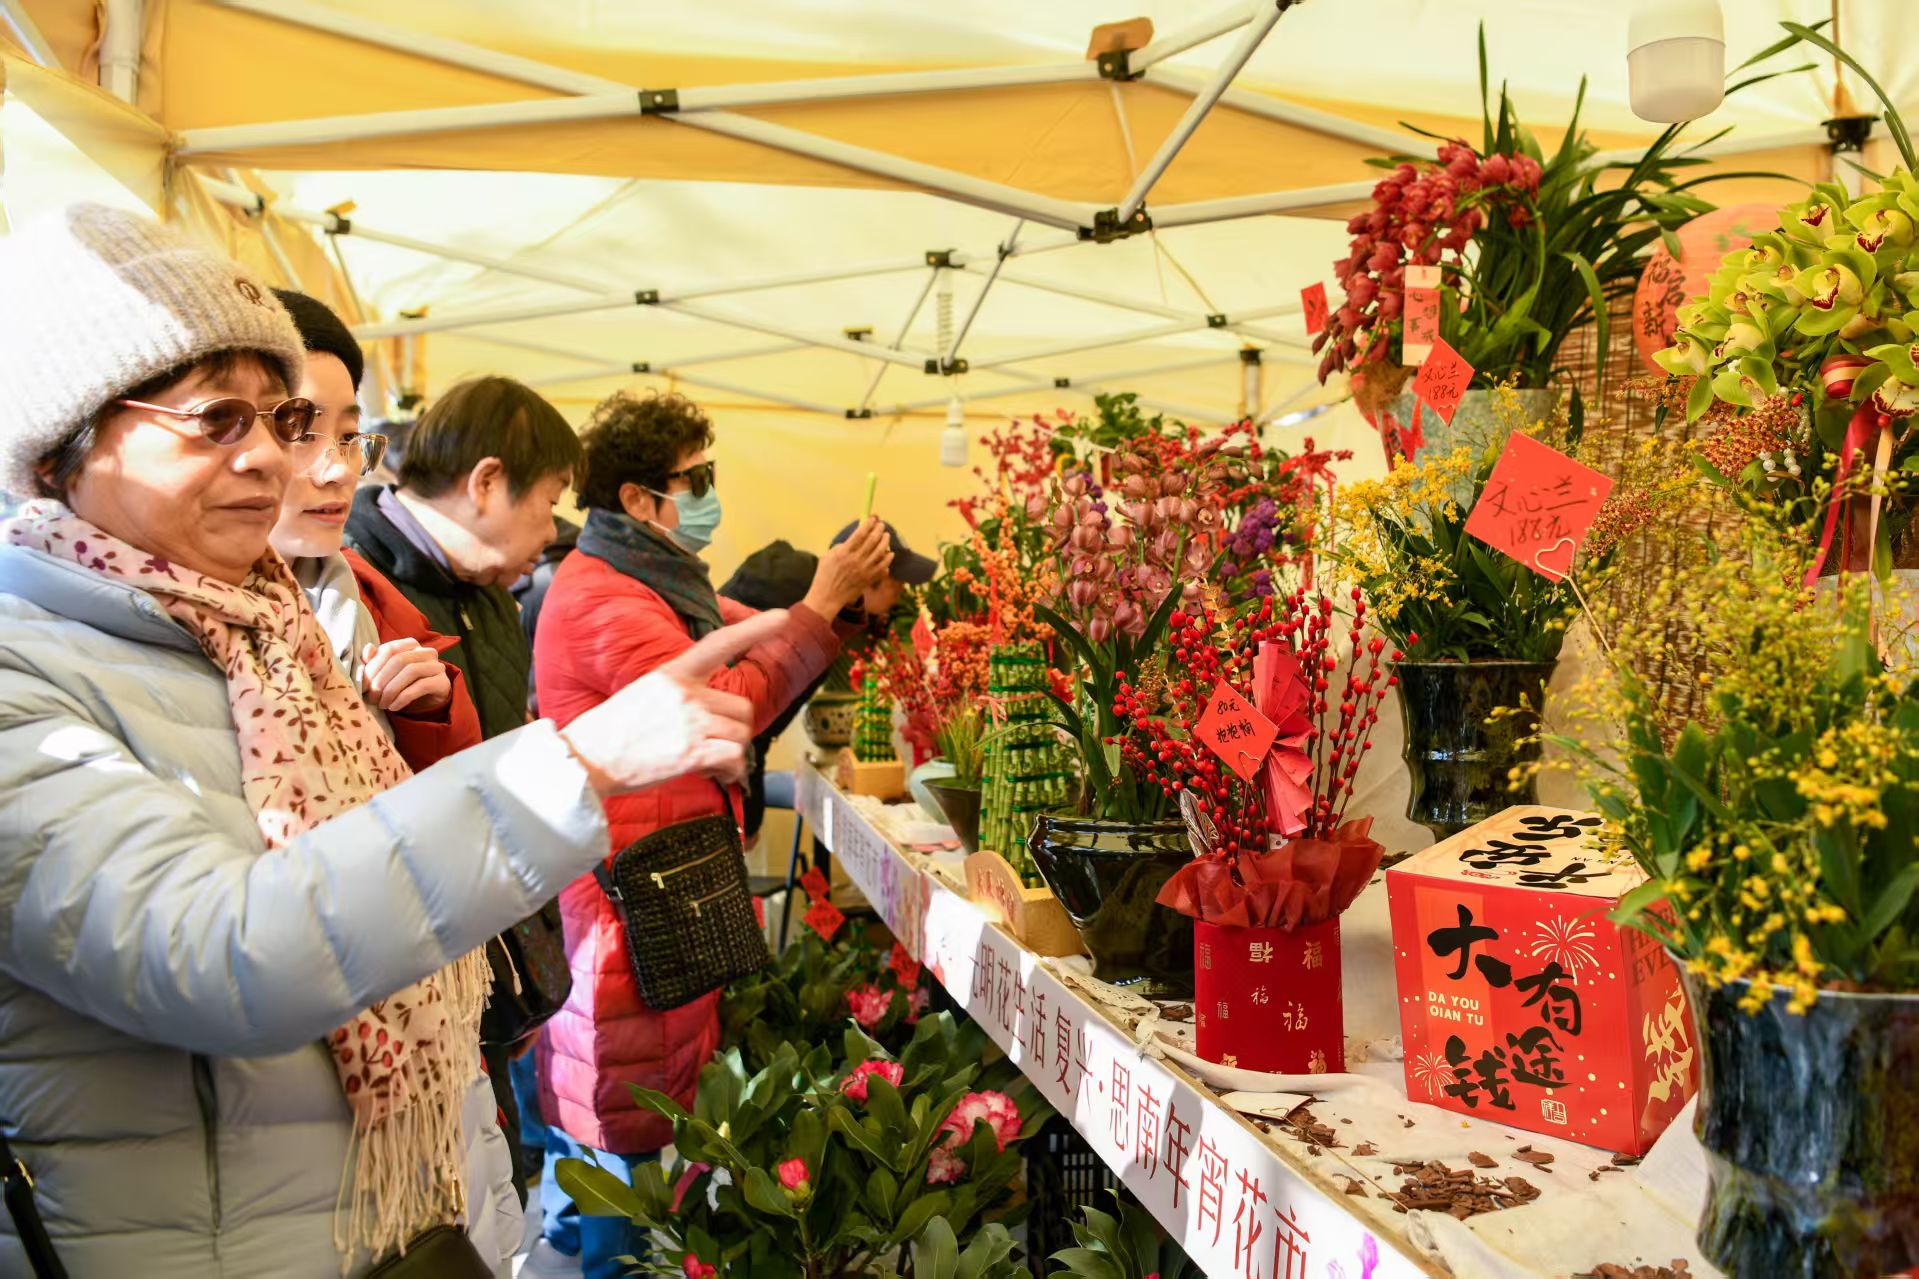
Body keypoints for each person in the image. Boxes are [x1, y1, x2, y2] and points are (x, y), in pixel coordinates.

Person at [0, 203, 778, 1278]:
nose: (272, 460)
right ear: (61, 448)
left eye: (280, 418)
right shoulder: (22, 675)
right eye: (217, 419)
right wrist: (574, 764)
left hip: (411, 1217)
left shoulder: (276, 637)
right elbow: (223, 952)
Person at [531, 390, 893, 1278]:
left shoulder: (656, 582)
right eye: (698, 478)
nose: (710, 494)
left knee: (628, 1115)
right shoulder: (602, 598)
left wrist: (838, 610)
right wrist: (819, 604)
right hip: (628, 899)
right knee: (622, 1133)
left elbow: (747, 633)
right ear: (637, 497)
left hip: (654, 886)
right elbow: (719, 704)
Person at [343, 373, 579, 1188]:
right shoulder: (353, 587)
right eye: (548, 502)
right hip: (409, 966)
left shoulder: (490, 598)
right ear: (485, 482)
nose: (552, 530)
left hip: (492, 943)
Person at [269, 288, 482, 766]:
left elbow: (450, 777)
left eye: (348, 437)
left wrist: (432, 708)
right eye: (300, 433)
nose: (339, 470)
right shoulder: (176, 609)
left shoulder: (371, 597)